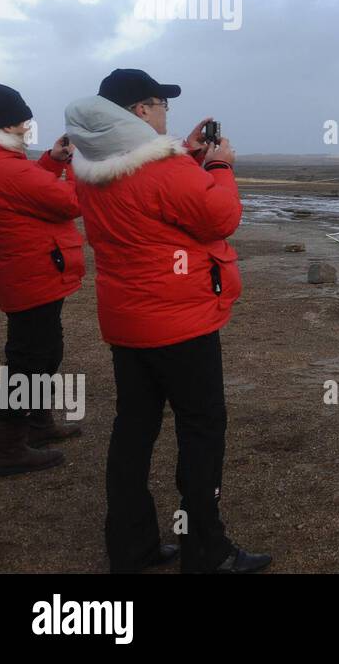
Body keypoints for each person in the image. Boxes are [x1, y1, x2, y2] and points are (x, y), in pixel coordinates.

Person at [65, 68, 270, 574]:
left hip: (127, 321)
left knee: (133, 429)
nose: (165, 114)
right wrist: (218, 166)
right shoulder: (166, 169)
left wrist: (187, 153)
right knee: (201, 429)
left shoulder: (87, 163)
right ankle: (206, 549)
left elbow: (153, 200)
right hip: (181, 323)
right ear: (140, 111)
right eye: (161, 106)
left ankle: (130, 548)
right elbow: (219, 216)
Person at [0, 83, 85, 477]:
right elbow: (70, 202)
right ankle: (9, 448)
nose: (27, 127)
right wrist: (73, 165)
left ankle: (36, 426)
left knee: (43, 351)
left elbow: (26, 189)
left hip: (25, 272)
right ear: (6, 123)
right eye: (23, 120)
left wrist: (52, 161)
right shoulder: (4, 166)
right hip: (32, 273)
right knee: (28, 360)